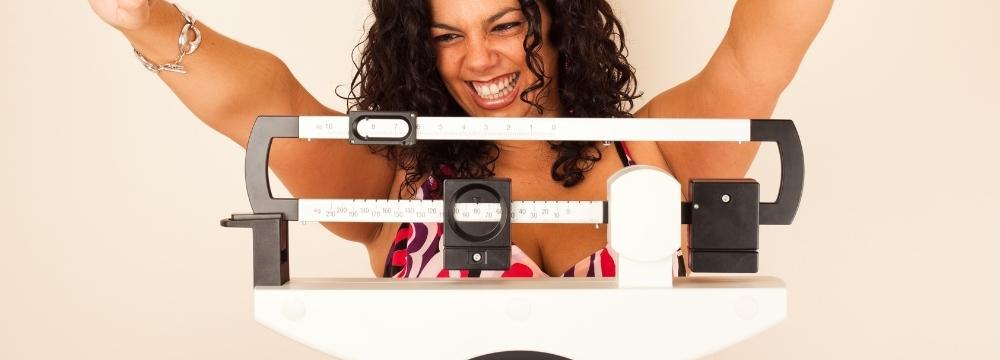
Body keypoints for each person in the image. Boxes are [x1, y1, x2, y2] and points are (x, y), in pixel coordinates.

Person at [89, 0, 831, 278]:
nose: (479, 60)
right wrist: (146, 17)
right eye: (448, 36)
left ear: (557, 23)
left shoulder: (659, 153)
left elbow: (753, 52)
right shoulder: (392, 183)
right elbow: (263, 98)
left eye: (504, 24)